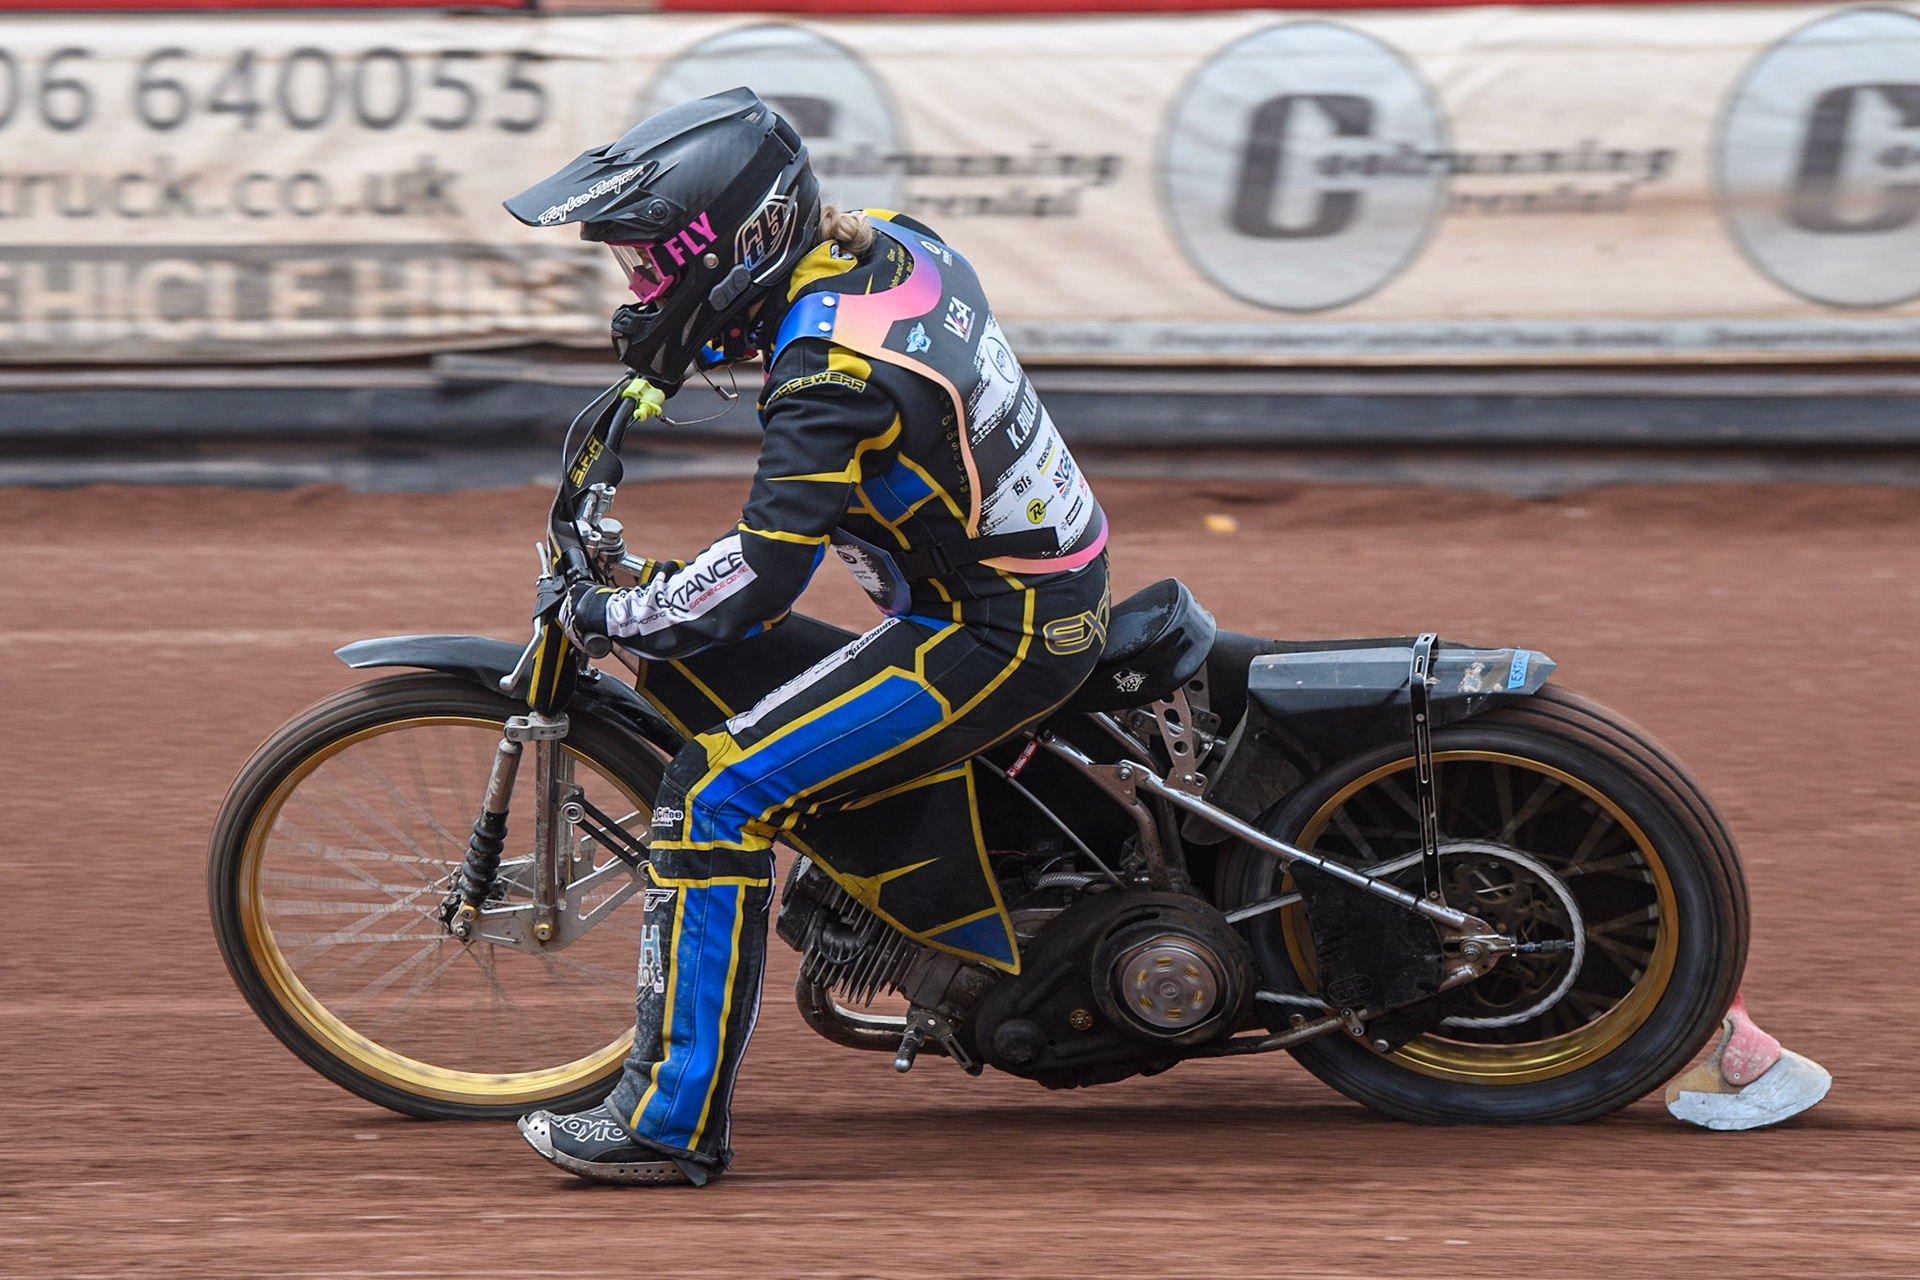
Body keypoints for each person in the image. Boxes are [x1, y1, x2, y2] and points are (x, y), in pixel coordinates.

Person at [500, 88, 1111, 1186]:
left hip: (995, 628)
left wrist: (614, 610)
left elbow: (760, 580)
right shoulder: (884, 251)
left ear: (733, 246)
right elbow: (764, 561)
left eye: (648, 265)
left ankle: (668, 1121)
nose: (640, 292)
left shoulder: (827, 375)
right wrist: (662, 591)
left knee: (710, 794)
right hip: (1019, 588)